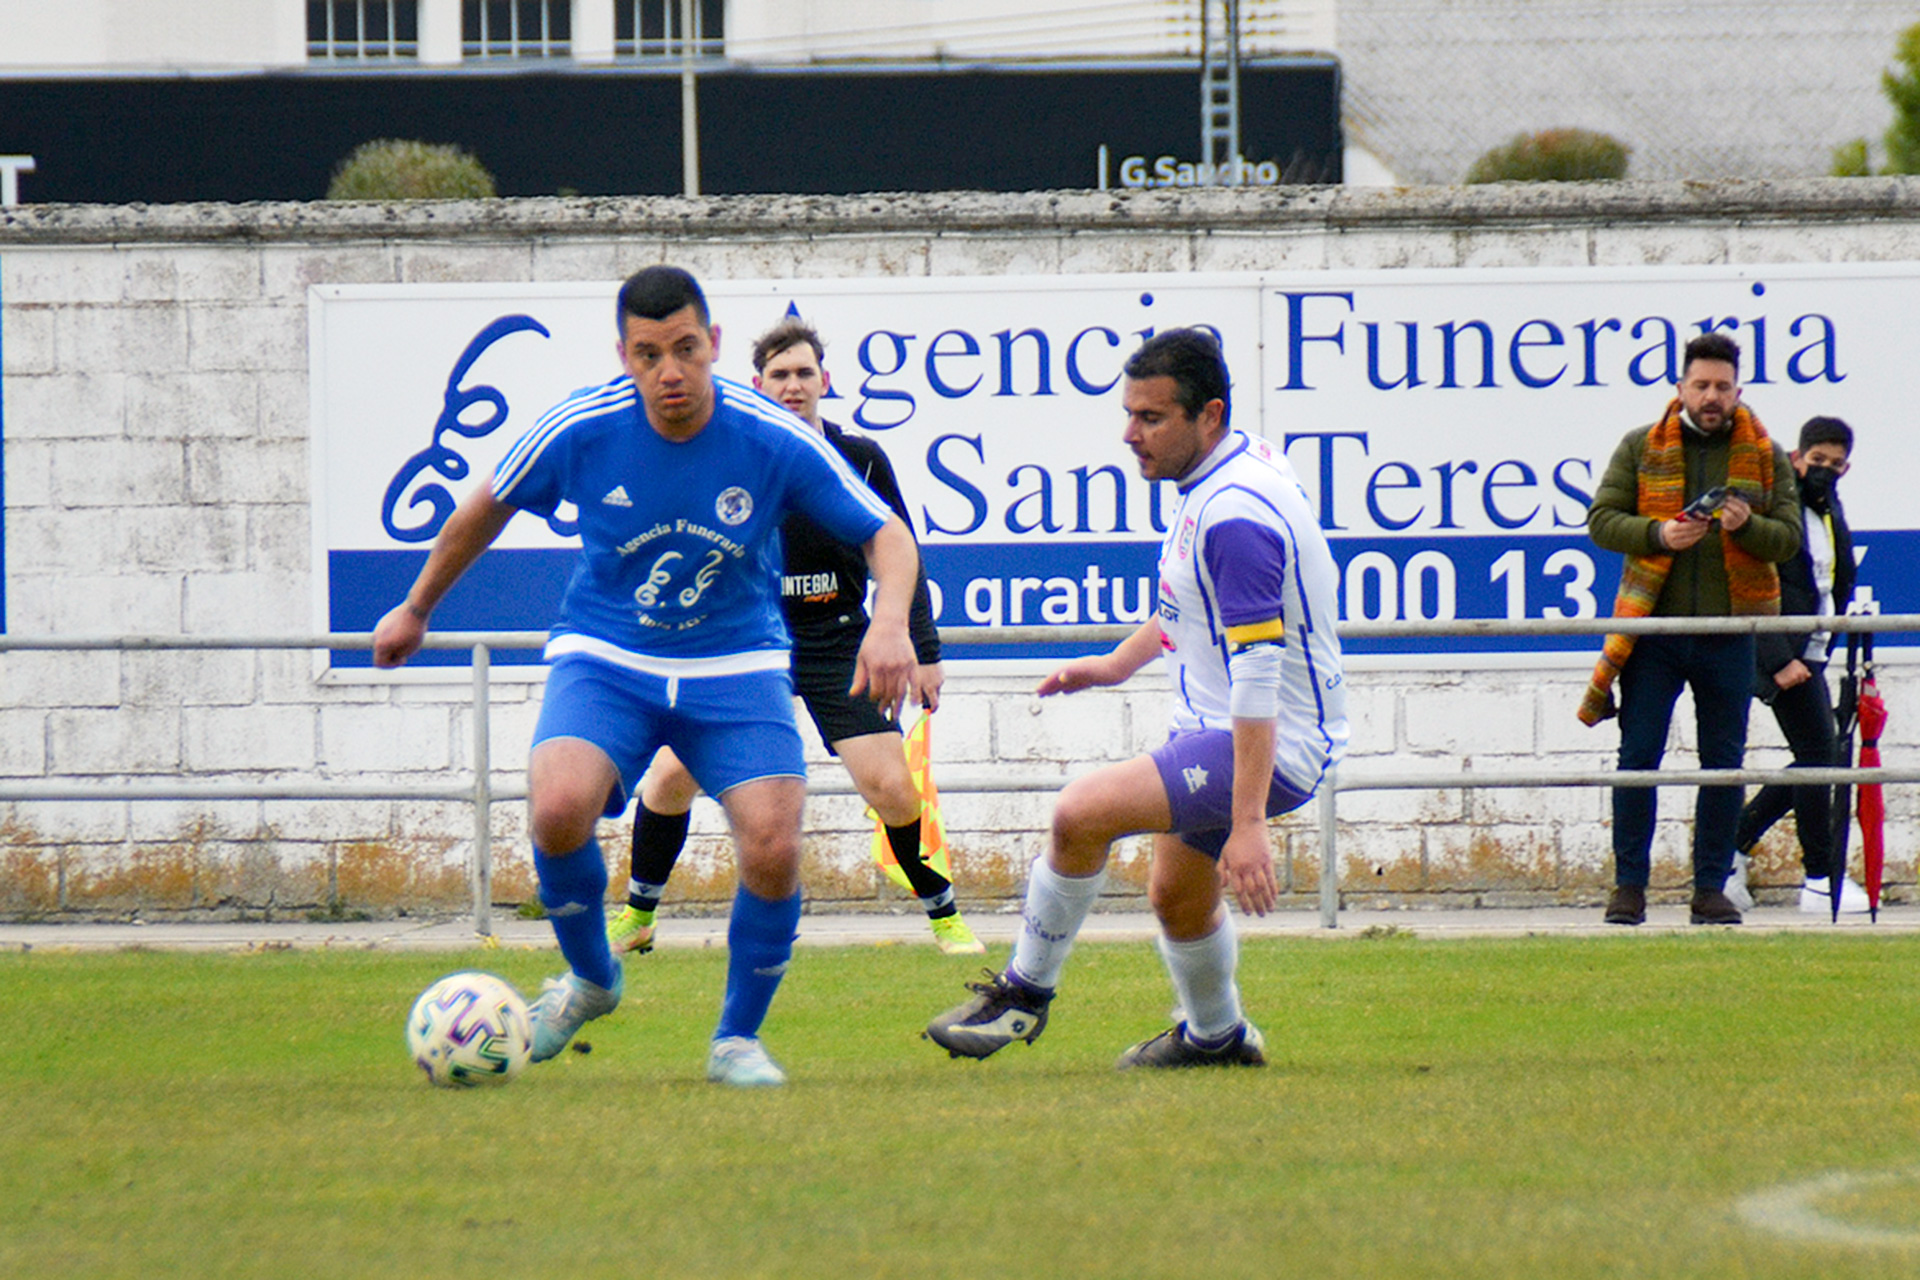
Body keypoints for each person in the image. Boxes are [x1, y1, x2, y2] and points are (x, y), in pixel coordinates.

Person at [372, 266, 919, 1088]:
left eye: (687, 349)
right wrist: (415, 607)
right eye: (649, 353)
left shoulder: (771, 433)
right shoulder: (581, 426)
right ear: (623, 355)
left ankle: (736, 1040)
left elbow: (888, 536)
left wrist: (887, 625)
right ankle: (592, 978)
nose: (670, 371)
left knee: (772, 843)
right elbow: (484, 507)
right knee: (557, 808)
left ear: (715, 346)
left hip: (735, 660)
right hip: (608, 652)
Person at [923, 327, 1347, 1069]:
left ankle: (1024, 996)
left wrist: (1248, 823)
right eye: (1129, 414)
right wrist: (1116, 665)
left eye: (1150, 419)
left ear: (1208, 415)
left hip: (1267, 742)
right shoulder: (1225, 476)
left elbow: (1255, 673)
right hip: (1220, 729)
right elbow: (1194, 602)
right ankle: (1216, 1039)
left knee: (1078, 815)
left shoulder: (1235, 514)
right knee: (1177, 896)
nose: (1129, 435)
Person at [606, 318, 983, 957]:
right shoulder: (732, 455)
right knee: (667, 779)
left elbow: (901, 549)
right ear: (757, 384)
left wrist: (923, 647)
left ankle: (945, 917)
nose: (793, 384)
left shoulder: (858, 456)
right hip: (748, 643)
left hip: (837, 639)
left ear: (824, 382)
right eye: (779, 375)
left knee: (893, 787)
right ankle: (639, 914)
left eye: (804, 373)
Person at [1581, 331, 1801, 927]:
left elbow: (1788, 538)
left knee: (1723, 763)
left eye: (1722, 387)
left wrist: (1745, 526)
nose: (1711, 396)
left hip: (1729, 633)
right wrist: (1659, 534)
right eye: (1700, 385)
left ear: (1738, 391)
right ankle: (1629, 886)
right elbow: (1601, 521)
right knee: (1638, 757)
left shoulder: (1765, 453)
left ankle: (1711, 886)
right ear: (1679, 388)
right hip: (1655, 631)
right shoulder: (1639, 446)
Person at [1730, 416, 1869, 913]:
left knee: (1821, 754)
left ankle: (1734, 845)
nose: (1825, 471)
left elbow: (1836, 579)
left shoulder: (1830, 509)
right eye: (1817, 461)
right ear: (1796, 457)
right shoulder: (1778, 506)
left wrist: (1826, 642)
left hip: (1812, 651)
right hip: (1781, 654)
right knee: (1820, 755)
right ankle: (1819, 879)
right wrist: (1778, 657)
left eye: (1835, 464)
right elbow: (1749, 584)